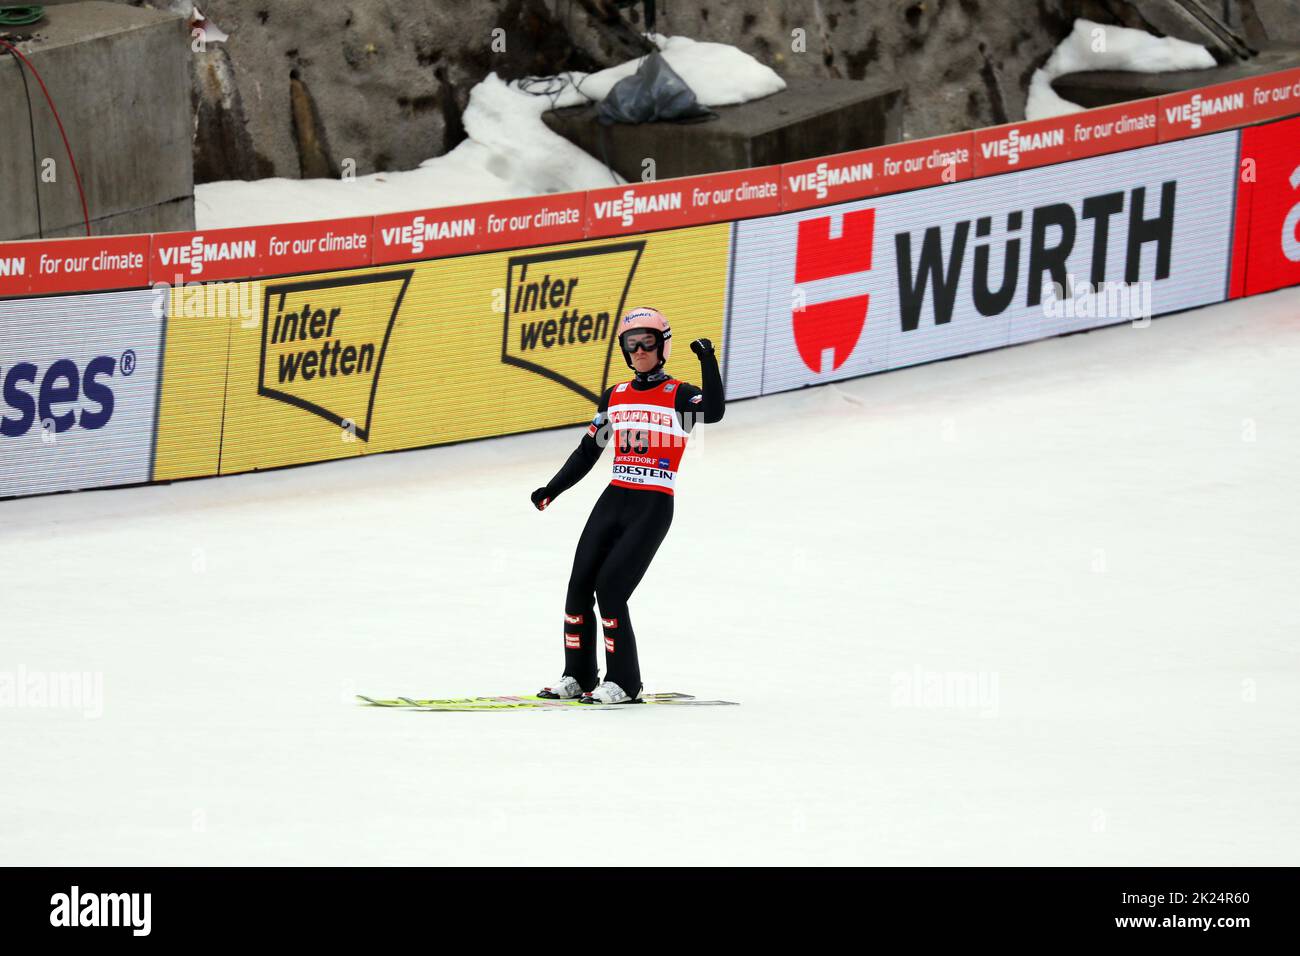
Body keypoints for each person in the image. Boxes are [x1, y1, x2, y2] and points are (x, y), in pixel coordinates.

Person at [530, 306, 725, 704]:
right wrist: (553, 488)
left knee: (612, 589)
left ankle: (625, 682)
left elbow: (715, 412)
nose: (639, 351)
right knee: (579, 587)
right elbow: (588, 451)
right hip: (614, 496)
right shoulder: (615, 395)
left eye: (647, 343)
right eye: (630, 344)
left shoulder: (680, 395)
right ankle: (578, 675)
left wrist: (708, 360)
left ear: (663, 346)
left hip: (652, 504)